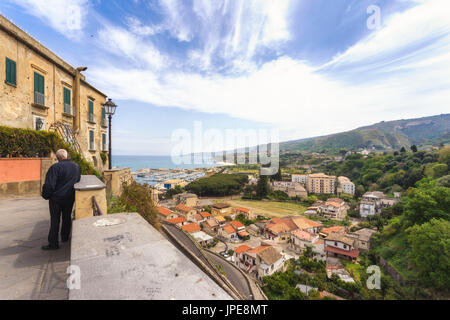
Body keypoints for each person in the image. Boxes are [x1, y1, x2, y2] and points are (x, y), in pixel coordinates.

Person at [41, 149, 81, 250]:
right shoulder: (76, 166)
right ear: (67, 156)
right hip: (70, 197)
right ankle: (65, 238)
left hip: (56, 199)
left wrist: (46, 195)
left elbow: (49, 185)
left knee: (55, 220)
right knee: (67, 217)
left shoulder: (55, 167)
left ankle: (53, 243)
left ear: (58, 157)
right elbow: (78, 180)